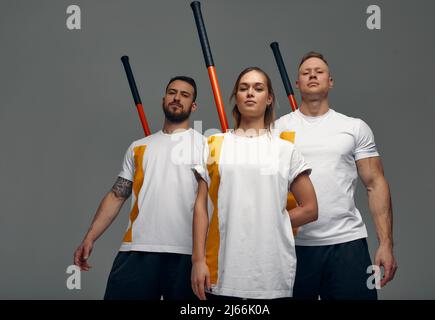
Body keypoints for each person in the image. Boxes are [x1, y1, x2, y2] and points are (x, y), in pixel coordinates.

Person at [274, 51, 398, 300]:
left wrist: (386, 243)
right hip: (292, 244)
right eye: (305, 72)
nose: (312, 75)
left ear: (330, 81)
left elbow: (375, 185)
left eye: (319, 71)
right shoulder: (277, 129)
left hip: (346, 243)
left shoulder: (354, 127)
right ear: (297, 84)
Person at [191, 67, 318, 300]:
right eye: (243, 88)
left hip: (272, 274)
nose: (250, 93)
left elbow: (310, 209)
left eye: (258, 88)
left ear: (269, 99)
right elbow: (200, 207)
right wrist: (197, 260)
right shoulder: (213, 144)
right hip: (221, 272)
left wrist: (273, 221)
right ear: (236, 97)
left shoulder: (285, 150)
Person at [73, 76, 205, 300]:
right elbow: (117, 195)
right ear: (164, 99)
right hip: (138, 249)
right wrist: (90, 237)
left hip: (187, 253)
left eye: (185, 95)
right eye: (172, 92)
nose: (177, 98)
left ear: (193, 106)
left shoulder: (206, 146)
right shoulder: (139, 147)